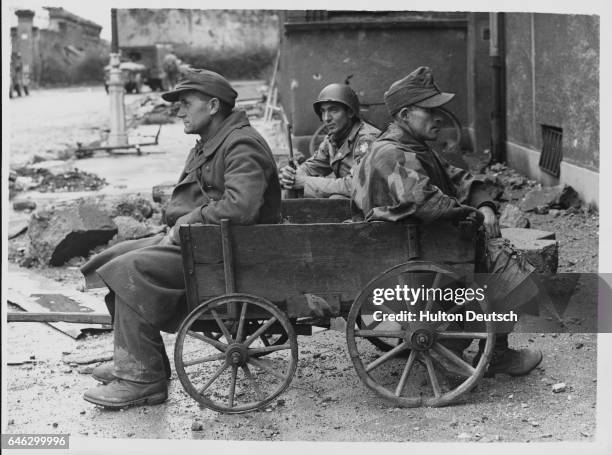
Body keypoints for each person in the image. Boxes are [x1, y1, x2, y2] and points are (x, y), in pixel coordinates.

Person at [81, 69, 281, 408]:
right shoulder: (213, 141)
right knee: (113, 259)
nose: (179, 111)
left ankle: (142, 381)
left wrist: (186, 222)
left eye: (186, 103)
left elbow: (241, 207)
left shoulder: (241, 144)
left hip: (226, 253)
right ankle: (140, 361)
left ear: (214, 105)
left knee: (130, 270)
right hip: (202, 243)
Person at [352, 66, 542, 377]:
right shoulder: (390, 153)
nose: (439, 117)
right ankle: (483, 354)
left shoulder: (415, 148)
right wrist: (474, 216)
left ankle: (478, 347)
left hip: (423, 249)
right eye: (429, 110)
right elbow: (424, 201)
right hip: (408, 259)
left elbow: (459, 180)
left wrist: (484, 203)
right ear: (403, 116)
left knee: (502, 261)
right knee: (509, 271)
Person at [279, 83, 380, 198]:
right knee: (290, 189)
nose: (326, 118)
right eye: (323, 111)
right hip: (355, 200)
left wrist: (304, 182)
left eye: (333, 110)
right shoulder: (333, 139)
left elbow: (355, 185)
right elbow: (313, 166)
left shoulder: (367, 139)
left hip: (375, 204)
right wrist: (291, 176)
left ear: (350, 112)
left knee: (336, 198)